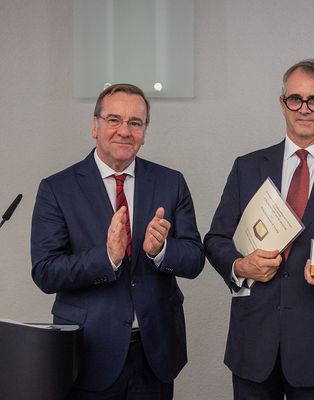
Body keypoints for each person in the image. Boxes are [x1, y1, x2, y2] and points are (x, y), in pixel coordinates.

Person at [205, 59, 314, 400]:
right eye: (295, 99)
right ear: (282, 103)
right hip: (253, 344)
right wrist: (239, 266)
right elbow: (216, 239)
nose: (304, 109)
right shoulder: (247, 167)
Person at [31, 83, 205, 399]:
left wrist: (161, 250)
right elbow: (45, 271)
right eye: (114, 120)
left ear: (144, 131)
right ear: (95, 126)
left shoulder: (171, 182)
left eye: (135, 123)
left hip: (155, 354)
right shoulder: (57, 188)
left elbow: (194, 258)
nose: (124, 131)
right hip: (89, 354)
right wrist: (107, 258)